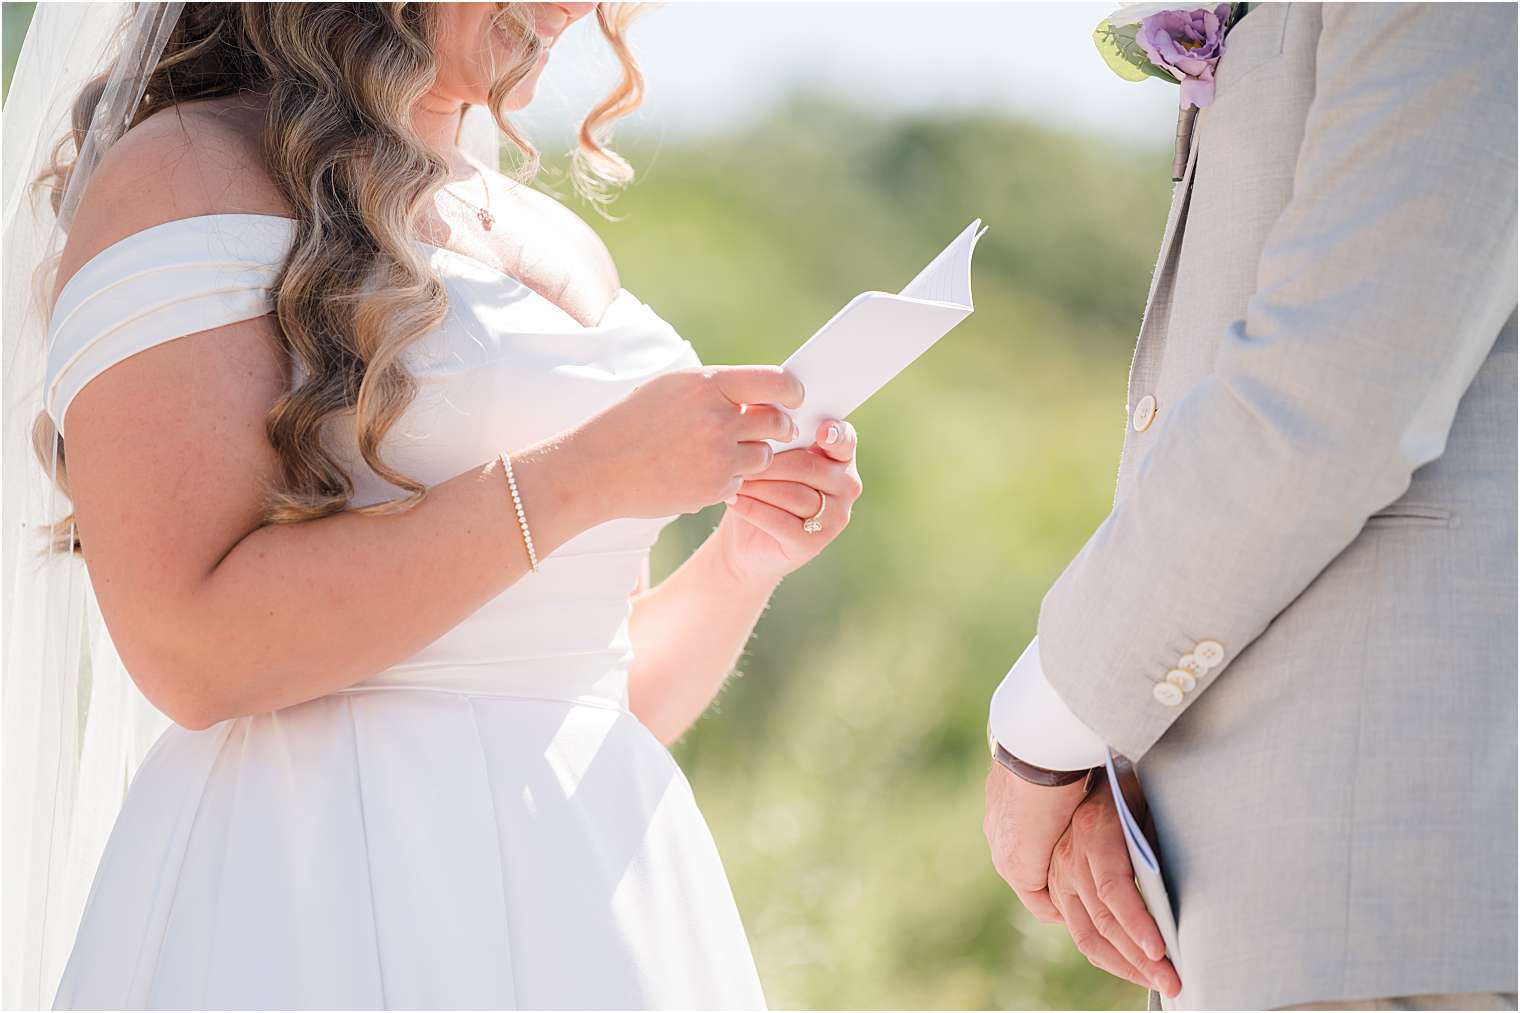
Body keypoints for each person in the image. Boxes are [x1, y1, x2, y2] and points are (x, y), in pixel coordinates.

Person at [2, 3, 863, 1008]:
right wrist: (588, 472)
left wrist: (741, 557)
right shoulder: (189, 171)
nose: (571, 11)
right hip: (310, 892)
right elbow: (189, 650)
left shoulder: (559, 241)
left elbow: (593, 694)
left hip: (594, 897)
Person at [985, 3, 1517, 1010]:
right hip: (1264, 914)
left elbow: (1330, 390)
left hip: (1402, 901)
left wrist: (1050, 727)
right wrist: (1117, 740)